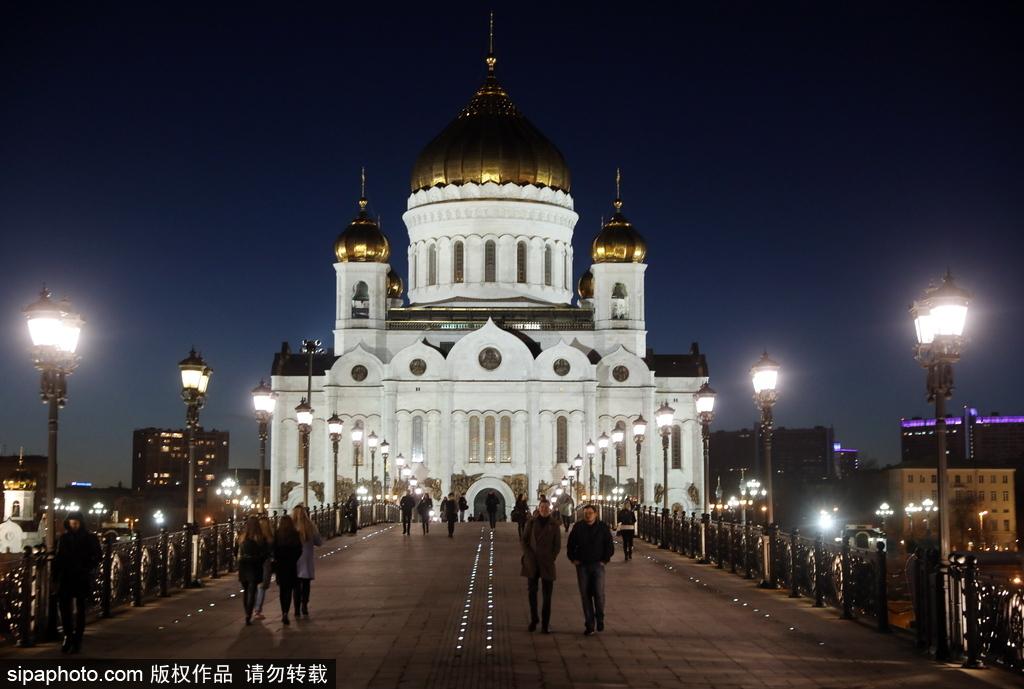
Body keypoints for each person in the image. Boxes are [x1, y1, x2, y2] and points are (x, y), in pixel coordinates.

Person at [53, 511, 101, 653]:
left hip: (81, 576)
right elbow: (58, 558)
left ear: (81, 523)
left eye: (76, 523)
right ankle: (68, 636)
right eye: (71, 523)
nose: (73, 525)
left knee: (80, 609)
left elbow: (98, 556)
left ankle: (77, 638)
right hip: (66, 576)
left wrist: (87, 567)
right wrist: (55, 577)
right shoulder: (64, 538)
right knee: (64, 608)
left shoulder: (90, 538)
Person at [567, 504, 614, 635]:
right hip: (582, 565)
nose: (588, 515)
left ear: (595, 514)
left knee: (599, 594)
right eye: (586, 513)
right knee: (585, 595)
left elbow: (609, 545)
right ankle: (589, 624)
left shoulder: (603, 527)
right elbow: (570, 544)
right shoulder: (578, 527)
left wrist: (605, 560)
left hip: (598, 565)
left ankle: (600, 618)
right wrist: (573, 558)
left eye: (590, 513)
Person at [521, 499, 561, 633]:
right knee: (532, 593)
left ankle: (545, 623)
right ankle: (534, 619)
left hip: (547, 563)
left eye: (546, 507)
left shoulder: (554, 524)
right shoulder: (531, 523)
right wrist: (529, 556)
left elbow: (557, 545)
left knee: (547, 595)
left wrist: (551, 557)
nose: (544, 509)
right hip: (532, 562)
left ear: (550, 509)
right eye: (542, 507)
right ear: (538, 508)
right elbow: (524, 541)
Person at [237, 516, 270, 625]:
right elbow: (265, 554)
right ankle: (248, 615)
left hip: (244, 567)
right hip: (255, 567)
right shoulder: (260, 539)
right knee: (252, 591)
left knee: (246, 591)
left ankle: (247, 612)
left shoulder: (242, 538)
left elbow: (235, 551)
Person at [292, 505, 323, 618]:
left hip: (294, 560)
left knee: (296, 586)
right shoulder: (310, 526)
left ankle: (296, 609)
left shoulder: (291, 527)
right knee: (306, 585)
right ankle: (304, 605)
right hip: (306, 561)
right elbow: (319, 542)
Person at [272, 514, 302, 625]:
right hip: (291, 565)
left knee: (282, 590)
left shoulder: (277, 534)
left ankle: (283, 611)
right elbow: (299, 550)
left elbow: (274, 550)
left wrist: (277, 559)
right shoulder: (295, 534)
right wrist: (293, 559)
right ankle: (286, 612)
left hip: (281, 566)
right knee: (289, 590)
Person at [253, 516, 275, 619]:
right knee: (261, 587)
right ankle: (257, 610)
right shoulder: (270, 538)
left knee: (255, 586)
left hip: (255, 563)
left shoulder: (255, 537)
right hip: (265, 563)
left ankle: (252, 607)